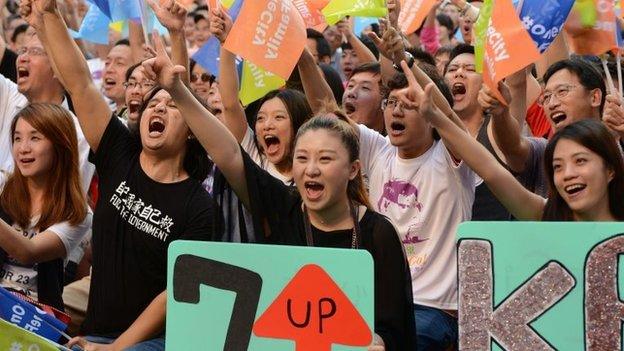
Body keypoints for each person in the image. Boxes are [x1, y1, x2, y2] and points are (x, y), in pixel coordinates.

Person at [140, 34, 417, 350]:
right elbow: (229, 154)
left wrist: (377, 341)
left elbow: (394, 326)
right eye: (302, 158)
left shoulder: (378, 233)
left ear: (353, 169)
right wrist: (177, 90)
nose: (310, 169)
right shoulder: (282, 208)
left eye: (325, 159)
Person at [26, 0, 215, 348]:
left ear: (193, 130)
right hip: (96, 329)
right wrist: (49, 12)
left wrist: (115, 348)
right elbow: (80, 84)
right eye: (152, 104)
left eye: (172, 106)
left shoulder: (200, 207)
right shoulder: (119, 153)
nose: (158, 108)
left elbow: (173, 294)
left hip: (153, 342)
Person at [395, 61, 624, 223]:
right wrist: (435, 117)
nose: (568, 174)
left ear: (611, 169)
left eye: (581, 161)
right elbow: (492, 170)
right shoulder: (547, 217)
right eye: (557, 167)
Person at [0, 103, 91, 310]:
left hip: (35, 320)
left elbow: (28, 251)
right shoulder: (3, 187)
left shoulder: (78, 214)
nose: (23, 148)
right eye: (17, 138)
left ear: (61, 145)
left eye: (35, 138)